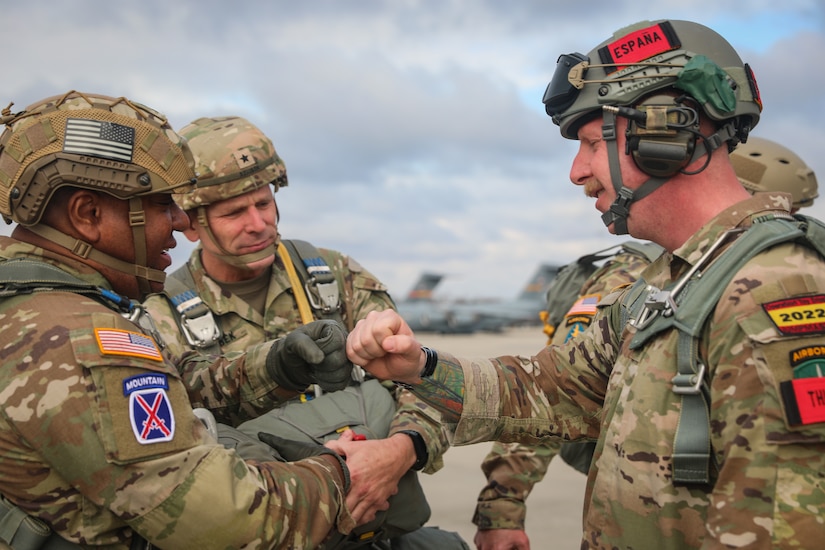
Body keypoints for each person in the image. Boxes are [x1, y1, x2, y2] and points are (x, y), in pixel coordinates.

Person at [346, 19, 825, 548]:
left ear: (664, 133)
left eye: (594, 142)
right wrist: (422, 367)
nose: (577, 171)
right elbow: (550, 390)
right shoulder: (667, 285)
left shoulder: (772, 290)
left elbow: (783, 527)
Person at [0, 91, 369, 549]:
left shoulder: (25, 310)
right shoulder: (81, 342)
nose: (179, 221)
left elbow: (161, 401)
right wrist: (345, 474)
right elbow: (224, 522)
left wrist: (277, 368)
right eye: (159, 205)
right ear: (88, 214)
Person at [472, 134, 820, 549]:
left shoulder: (768, 274)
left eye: (792, 213)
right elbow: (558, 388)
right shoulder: (637, 279)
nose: (776, 224)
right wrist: (504, 502)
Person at [142, 115, 464, 549]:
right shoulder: (161, 312)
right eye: (234, 212)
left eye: (263, 203)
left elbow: (426, 385)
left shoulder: (334, 278)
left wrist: (400, 450)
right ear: (191, 223)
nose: (257, 223)